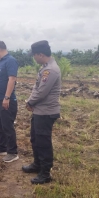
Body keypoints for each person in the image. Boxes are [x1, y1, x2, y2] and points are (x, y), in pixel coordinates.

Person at [22, 40, 61, 184]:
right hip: (39, 110)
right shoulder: (45, 67)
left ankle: (45, 173)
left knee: (43, 142)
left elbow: (42, 92)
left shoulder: (50, 70)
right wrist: (31, 102)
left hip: (46, 112)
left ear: (40, 54)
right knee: (35, 139)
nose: (34, 58)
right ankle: (37, 164)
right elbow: (36, 88)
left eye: (34, 55)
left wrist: (30, 102)